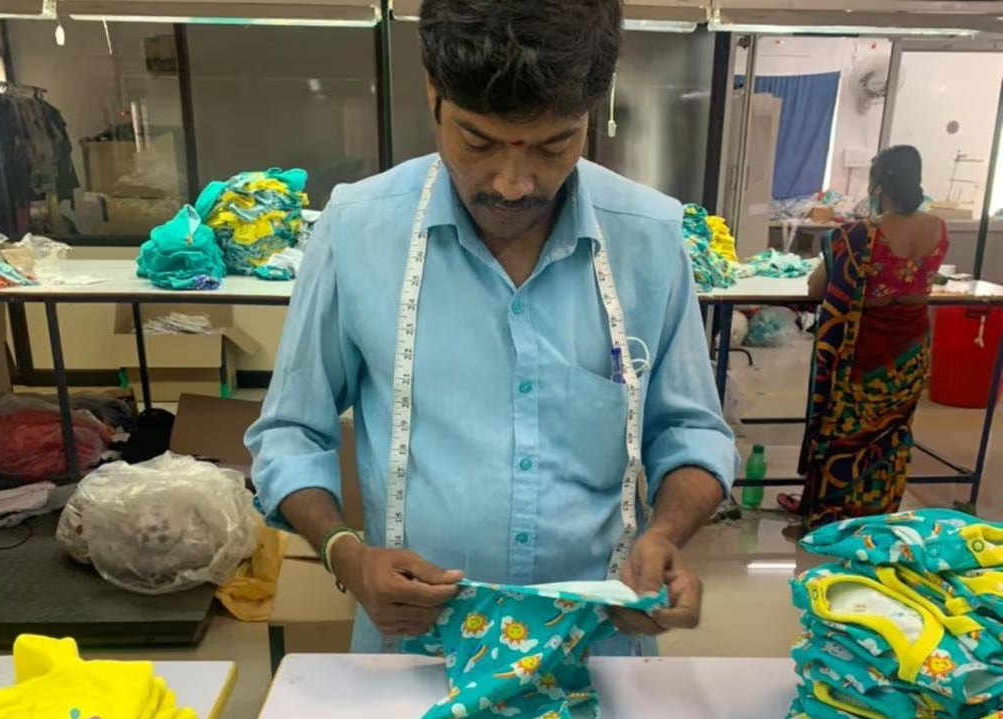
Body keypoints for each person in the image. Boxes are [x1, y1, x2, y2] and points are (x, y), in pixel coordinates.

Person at [245, 0, 737, 655]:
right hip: (418, 647)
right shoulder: (358, 230)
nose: (512, 184)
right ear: (433, 95)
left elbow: (691, 431)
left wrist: (663, 537)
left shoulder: (646, 240)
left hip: (595, 645)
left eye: (554, 144)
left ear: (591, 115)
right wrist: (345, 554)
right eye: (477, 142)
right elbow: (291, 432)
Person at [798, 145, 947, 531]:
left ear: (878, 184)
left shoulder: (859, 235)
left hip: (866, 351)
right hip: (912, 350)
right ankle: (880, 508)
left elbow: (817, 288)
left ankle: (837, 511)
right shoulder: (937, 228)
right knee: (894, 429)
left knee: (848, 431)